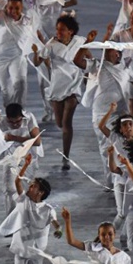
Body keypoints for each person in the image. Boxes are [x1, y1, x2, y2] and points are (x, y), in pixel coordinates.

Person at [0, 155, 61, 264]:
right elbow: (18, 182)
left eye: (33, 186)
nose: (29, 187)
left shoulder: (47, 208)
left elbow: (55, 221)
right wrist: (25, 165)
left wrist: (58, 229)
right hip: (21, 250)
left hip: (37, 253)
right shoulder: (23, 200)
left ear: (40, 193)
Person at [30, 14, 91, 168]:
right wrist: (37, 52)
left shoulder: (80, 42)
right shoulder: (51, 44)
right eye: (57, 29)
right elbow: (37, 63)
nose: (58, 32)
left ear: (70, 31)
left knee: (66, 123)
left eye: (62, 30)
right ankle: (65, 151)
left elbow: (89, 61)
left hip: (73, 86)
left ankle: (66, 157)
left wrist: (89, 80)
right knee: (59, 123)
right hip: (57, 86)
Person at [0, 102, 43, 215]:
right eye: (11, 122)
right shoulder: (3, 121)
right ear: (7, 118)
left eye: (18, 121)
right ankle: (12, 220)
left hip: (28, 159)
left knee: (27, 189)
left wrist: (15, 138)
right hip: (11, 158)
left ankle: (27, 217)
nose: (15, 125)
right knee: (9, 189)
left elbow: (37, 141)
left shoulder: (29, 118)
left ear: (21, 117)